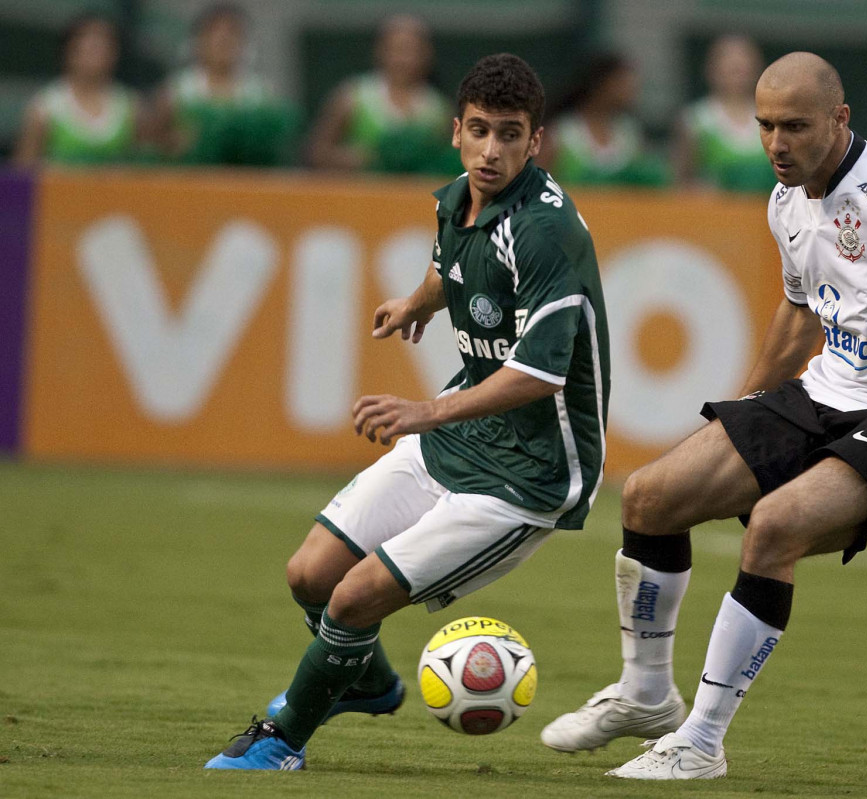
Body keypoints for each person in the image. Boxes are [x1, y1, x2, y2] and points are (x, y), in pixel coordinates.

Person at [541, 51, 867, 780]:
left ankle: (701, 741)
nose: (775, 143)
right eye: (765, 126)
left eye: (793, 126)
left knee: (775, 528)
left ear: (840, 118)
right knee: (650, 496)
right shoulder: (784, 198)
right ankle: (645, 693)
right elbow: (800, 312)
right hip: (823, 392)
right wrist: (742, 411)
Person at [205, 53, 610, 770]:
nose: (492, 150)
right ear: (456, 131)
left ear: (535, 142)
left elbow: (539, 375)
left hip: (529, 472)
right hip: (463, 434)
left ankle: (281, 742)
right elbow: (448, 263)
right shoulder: (458, 196)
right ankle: (364, 678)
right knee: (311, 575)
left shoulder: (547, 232)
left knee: (356, 596)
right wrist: (417, 302)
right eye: (480, 131)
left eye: (509, 135)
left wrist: (426, 410)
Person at [307, 15, 457, 175]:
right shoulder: (353, 97)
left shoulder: (439, 108)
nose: (403, 59)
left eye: (411, 50)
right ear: (380, 51)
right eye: (396, 49)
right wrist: (359, 158)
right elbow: (315, 153)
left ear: (427, 55)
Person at [149, 3, 295, 166]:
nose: (224, 39)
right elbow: (151, 146)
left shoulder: (261, 96)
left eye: (233, 33)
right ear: (198, 41)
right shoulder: (177, 91)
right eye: (215, 33)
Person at [12, 13, 142, 166]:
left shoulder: (131, 106)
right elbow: (22, 171)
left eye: (104, 45)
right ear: (68, 51)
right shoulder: (45, 108)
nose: (96, 51)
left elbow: (139, 168)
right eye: (88, 46)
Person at [538, 53, 668, 187]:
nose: (631, 92)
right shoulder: (562, 134)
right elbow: (537, 187)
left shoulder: (629, 134)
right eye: (622, 84)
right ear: (601, 84)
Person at [675, 34, 776, 193]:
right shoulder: (697, 120)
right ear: (712, 70)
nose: (737, 76)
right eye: (731, 69)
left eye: (742, 69)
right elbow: (681, 181)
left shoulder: (773, 119)